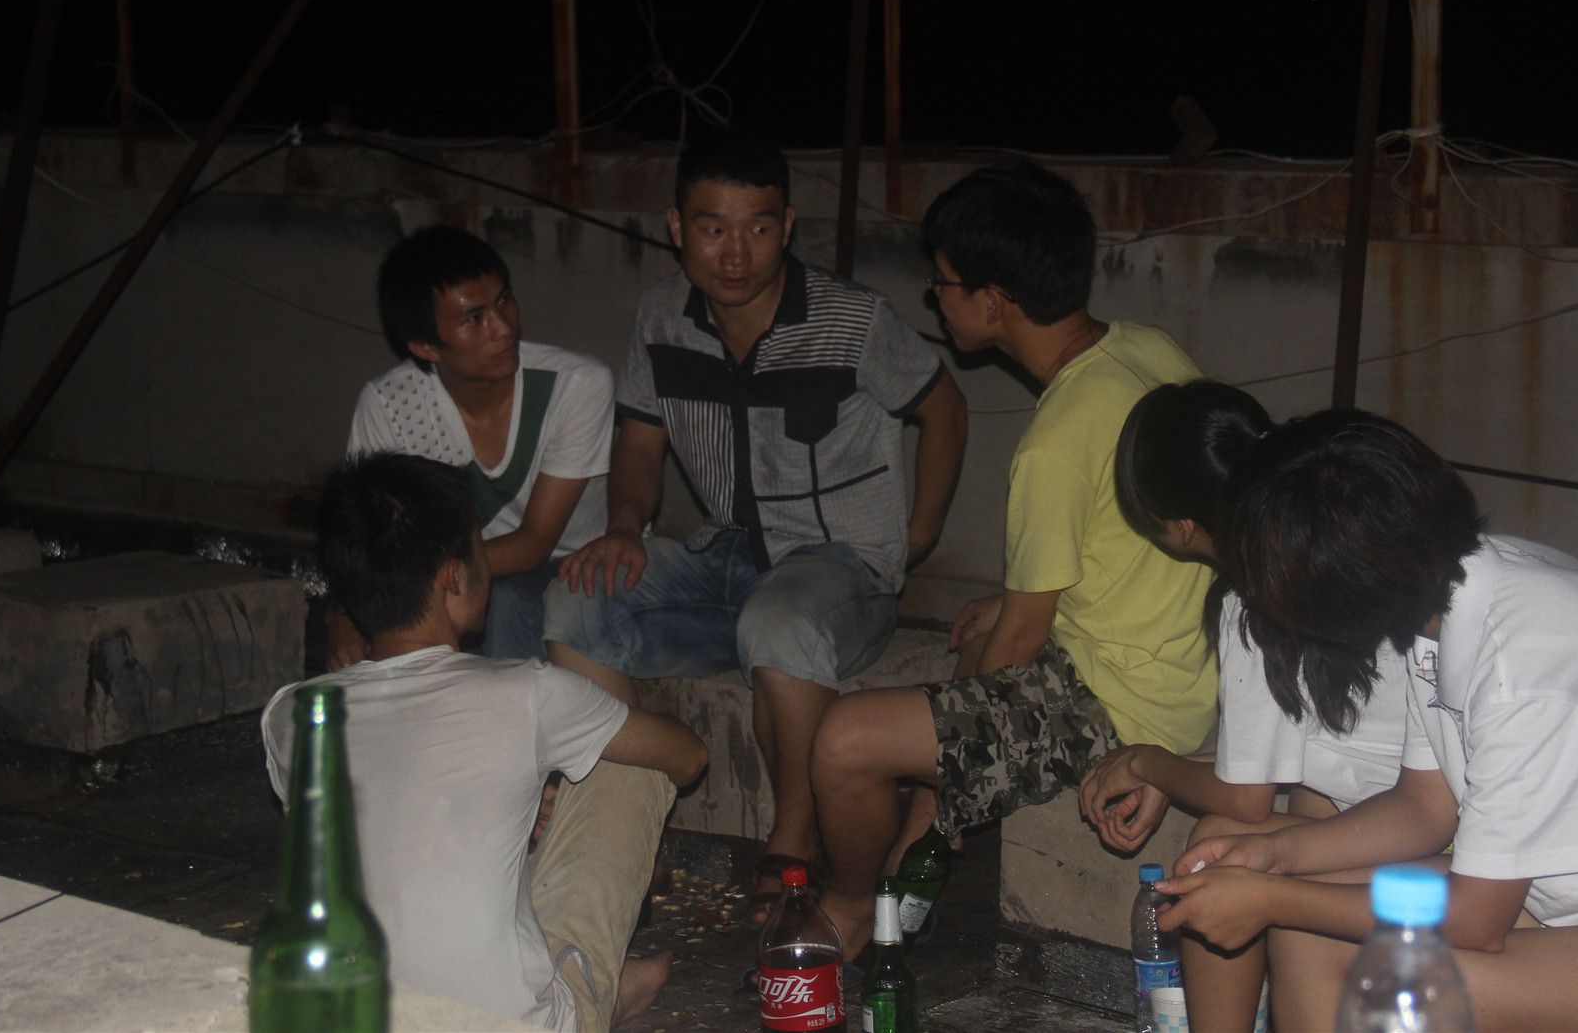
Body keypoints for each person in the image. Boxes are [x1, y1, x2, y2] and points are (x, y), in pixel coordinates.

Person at [1158, 411, 1578, 1032]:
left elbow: (1475, 922)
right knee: (1309, 914)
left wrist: (1271, 897)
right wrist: (1274, 855)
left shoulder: (1528, 659)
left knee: (1406, 988)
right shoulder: (1440, 600)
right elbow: (1424, 808)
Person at [546, 139, 968, 924]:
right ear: (678, 227)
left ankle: (794, 835)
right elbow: (639, 443)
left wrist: (920, 530)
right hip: (726, 554)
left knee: (778, 619)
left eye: (759, 228)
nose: (735, 253)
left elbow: (943, 405)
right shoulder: (660, 317)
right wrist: (624, 526)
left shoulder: (853, 318)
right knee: (575, 601)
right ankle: (624, 816)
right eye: (713, 229)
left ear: (788, 226)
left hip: (839, 567)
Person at [807, 161, 1217, 960]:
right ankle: (920, 845)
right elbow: (1125, 544)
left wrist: (947, 771)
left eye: (944, 283)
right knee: (978, 625)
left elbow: (1020, 647)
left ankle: (854, 901)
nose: (936, 297)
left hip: (1124, 704)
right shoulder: (1147, 348)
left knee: (846, 739)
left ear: (994, 301)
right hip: (1177, 660)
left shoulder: (1054, 441)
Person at [261, 452, 707, 1032]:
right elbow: (687, 757)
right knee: (629, 763)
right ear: (454, 578)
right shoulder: (526, 693)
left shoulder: (291, 715)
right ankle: (596, 990)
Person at [1077, 380, 1411, 1033]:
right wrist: (1174, 770)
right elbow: (1272, 752)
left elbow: (1245, 798)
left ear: (1179, 528)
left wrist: (1144, 763)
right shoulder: (1323, 545)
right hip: (1407, 807)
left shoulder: (1253, 596)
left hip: (1410, 829)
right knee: (1286, 809)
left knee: (1215, 848)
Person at [336, 225, 612, 663]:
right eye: (474, 318)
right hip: (456, 575)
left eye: (504, 301)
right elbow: (370, 535)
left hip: (577, 565)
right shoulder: (388, 404)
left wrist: (415, 581)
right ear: (426, 347)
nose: (503, 327)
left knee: (504, 601)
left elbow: (535, 543)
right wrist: (345, 615)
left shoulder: (576, 386)